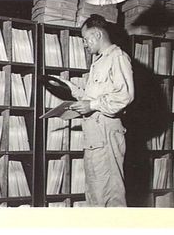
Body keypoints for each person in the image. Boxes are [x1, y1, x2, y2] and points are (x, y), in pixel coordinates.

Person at [62, 14, 134, 207]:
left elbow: (124, 96)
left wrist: (91, 105)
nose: (85, 45)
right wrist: (72, 89)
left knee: (111, 197)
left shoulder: (117, 57)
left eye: (86, 39)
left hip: (106, 136)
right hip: (95, 138)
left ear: (97, 34)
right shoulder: (99, 62)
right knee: (96, 196)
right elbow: (94, 98)